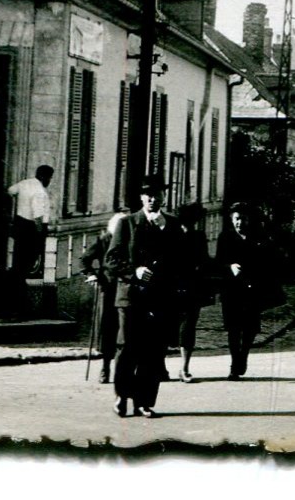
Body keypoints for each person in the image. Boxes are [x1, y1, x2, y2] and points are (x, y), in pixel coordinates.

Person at [107, 174, 186, 419]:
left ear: (164, 196)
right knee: (127, 347)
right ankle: (121, 395)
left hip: (160, 299)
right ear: (141, 197)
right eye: (148, 194)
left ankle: (144, 402)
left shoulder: (172, 225)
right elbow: (112, 259)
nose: (153, 198)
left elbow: (180, 263)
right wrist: (134, 271)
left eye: (157, 194)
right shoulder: (127, 223)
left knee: (154, 351)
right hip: (131, 297)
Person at [215, 203, 267, 379]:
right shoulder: (225, 237)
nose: (240, 223)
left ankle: (243, 354)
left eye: (243, 219)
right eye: (236, 219)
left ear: (249, 220)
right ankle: (235, 363)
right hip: (232, 291)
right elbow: (218, 263)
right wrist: (230, 267)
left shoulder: (258, 237)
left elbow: (267, 261)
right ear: (232, 220)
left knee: (250, 328)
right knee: (234, 328)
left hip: (253, 291)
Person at [81, 208, 130, 384]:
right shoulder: (104, 240)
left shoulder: (129, 241)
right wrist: (91, 275)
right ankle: (105, 367)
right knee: (108, 328)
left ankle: (121, 369)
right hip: (108, 289)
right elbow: (85, 259)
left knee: (124, 331)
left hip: (125, 288)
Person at [171, 201, 211, 383]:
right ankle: (162, 368)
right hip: (170, 287)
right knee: (166, 326)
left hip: (191, 288)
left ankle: (184, 368)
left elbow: (204, 262)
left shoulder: (199, 236)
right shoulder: (170, 235)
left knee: (187, 328)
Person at [7, 165, 54, 279]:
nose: (49, 181)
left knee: (18, 257)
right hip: (31, 227)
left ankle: (17, 279)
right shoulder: (39, 192)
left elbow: (10, 191)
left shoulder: (25, 183)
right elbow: (37, 216)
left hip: (20, 223)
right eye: (49, 178)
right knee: (30, 260)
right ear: (43, 177)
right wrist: (39, 234)